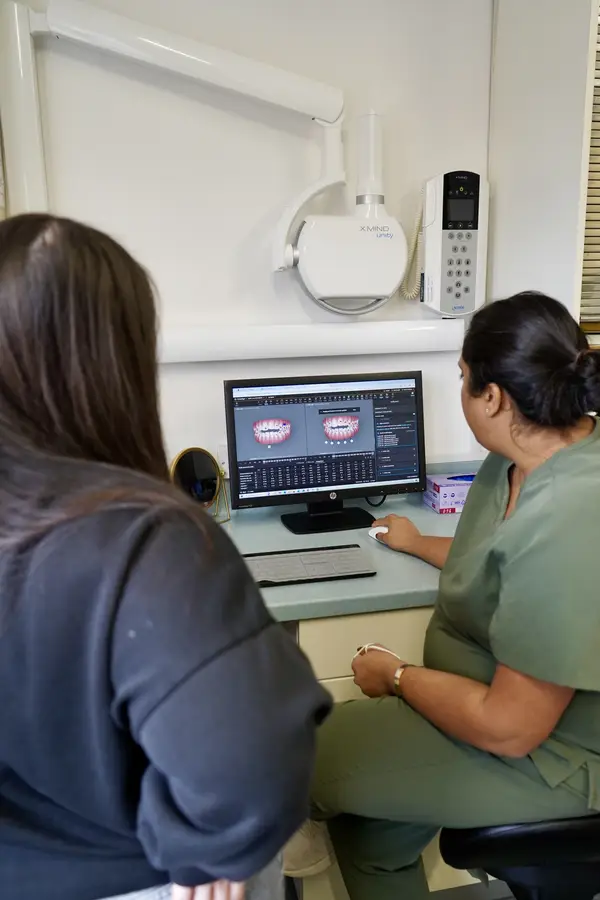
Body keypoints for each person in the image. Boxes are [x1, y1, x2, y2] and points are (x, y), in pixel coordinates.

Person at [0, 214, 332, 900]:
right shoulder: (145, 541)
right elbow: (250, 774)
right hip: (150, 878)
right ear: (115, 361)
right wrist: (204, 846)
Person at [309, 292, 600, 900]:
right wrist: (417, 543)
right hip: (477, 705)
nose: (461, 391)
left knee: (294, 758)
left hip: (552, 756)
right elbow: (498, 560)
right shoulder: (518, 459)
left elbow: (511, 729)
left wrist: (396, 677)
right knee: (371, 840)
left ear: (492, 397)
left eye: (464, 378)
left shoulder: (571, 513)